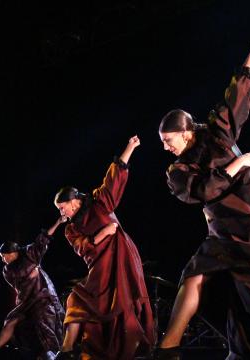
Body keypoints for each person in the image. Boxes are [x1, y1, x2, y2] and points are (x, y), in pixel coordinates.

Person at [155, 41, 250, 359]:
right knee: (195, 273)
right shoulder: (178, 169)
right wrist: (236, 165)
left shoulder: (217, 134)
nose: (166, 147)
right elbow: (199, 192)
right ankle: (168, 348)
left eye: (168, 140)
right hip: (226, 229)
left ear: (185, 132)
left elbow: (237, 101)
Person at [53, 136, 155, 360]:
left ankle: (128, 348)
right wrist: (102, 234)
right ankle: (67, 349)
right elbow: (83, 248)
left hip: (121, 259)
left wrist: (130, 147)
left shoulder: (99, 203)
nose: (62, 212)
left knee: (122, 304)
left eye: (63, 207)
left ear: (74, 201)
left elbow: (114, 180)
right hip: (99, 266)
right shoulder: (70, 229)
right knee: (77, 299)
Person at [0, 217, 67, 360]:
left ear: (12, 253)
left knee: (46, 328)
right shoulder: (7, 270)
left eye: (4, 256)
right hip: (26, 301)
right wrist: (31, 275)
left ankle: (53, 354)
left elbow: (43, 239)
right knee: (11, 320)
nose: (3, 260)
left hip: (42, 298)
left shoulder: (29, 253)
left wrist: (58, 222)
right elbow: (17, 285)